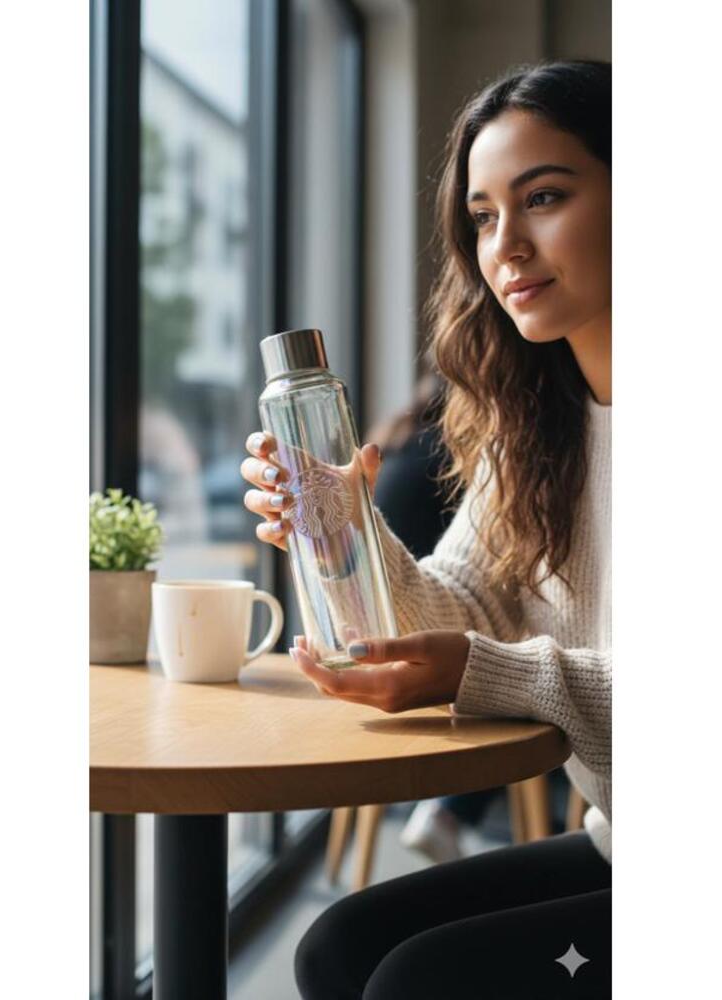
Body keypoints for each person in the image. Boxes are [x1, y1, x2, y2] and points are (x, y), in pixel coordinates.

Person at [241, 59, 611, 999]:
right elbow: (462, 605)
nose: (506, 247)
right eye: (483, 217)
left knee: (417, 980)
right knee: (335, 947)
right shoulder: (539, 426)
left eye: (544, 197)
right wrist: (343, 533)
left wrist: (481, 670)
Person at [367, 372, 507, 864]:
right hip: (420, 643)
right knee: (504, 685)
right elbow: (481, 587)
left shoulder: (393, 441)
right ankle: (448, 813)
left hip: (373, 639)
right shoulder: (452, 459)